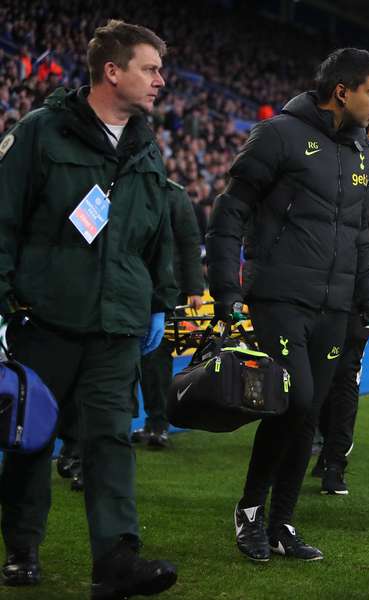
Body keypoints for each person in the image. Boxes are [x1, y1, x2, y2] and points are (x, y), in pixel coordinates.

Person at [0, 19, 179, 598]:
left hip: (119, 322)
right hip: (45, 315)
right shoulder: (40, 133)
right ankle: (23, 548)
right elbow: (3, 219)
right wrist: (5, 300)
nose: (160, 81)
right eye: (149, 68)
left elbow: (156, 236)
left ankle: (115, 560)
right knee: (31, 438)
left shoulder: (148, 144)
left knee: (109, 439)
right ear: (112, 71)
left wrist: (156, 303)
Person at [206, 48, 369, 563]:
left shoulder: (361, 151)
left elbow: (356, 235)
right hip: (280, 295)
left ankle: (283, 523)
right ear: (342, 92)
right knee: (296, 398)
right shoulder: (278, 134)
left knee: (309, 416)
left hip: (334, 305)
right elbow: (230, 211)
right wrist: (227, 290)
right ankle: (249, 511)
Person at [314, 107, 369, 495]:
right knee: (316, 374)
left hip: (362, 281)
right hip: (320, 278)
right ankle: (317, 443)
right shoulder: (328, 149)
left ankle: (335, 462)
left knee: (346, 375)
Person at [132, 179, 205, 448]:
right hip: (134, 287)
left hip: (165, 292)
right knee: (143, 360)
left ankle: (159, 423)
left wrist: (195, 288)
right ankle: (152, 421)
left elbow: (189, 243)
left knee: (156, 357)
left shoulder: (174, 195)